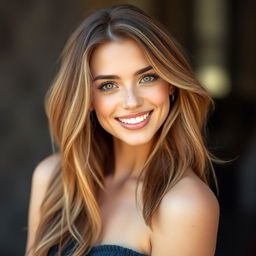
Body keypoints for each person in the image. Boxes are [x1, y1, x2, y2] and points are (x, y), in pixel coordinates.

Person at [25, 4, 220, 256]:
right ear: (88, 99)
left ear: (171, 84)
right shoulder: (52, 179)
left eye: (147, 78)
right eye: (108, 85)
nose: (131, 101)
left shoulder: (184, 205)